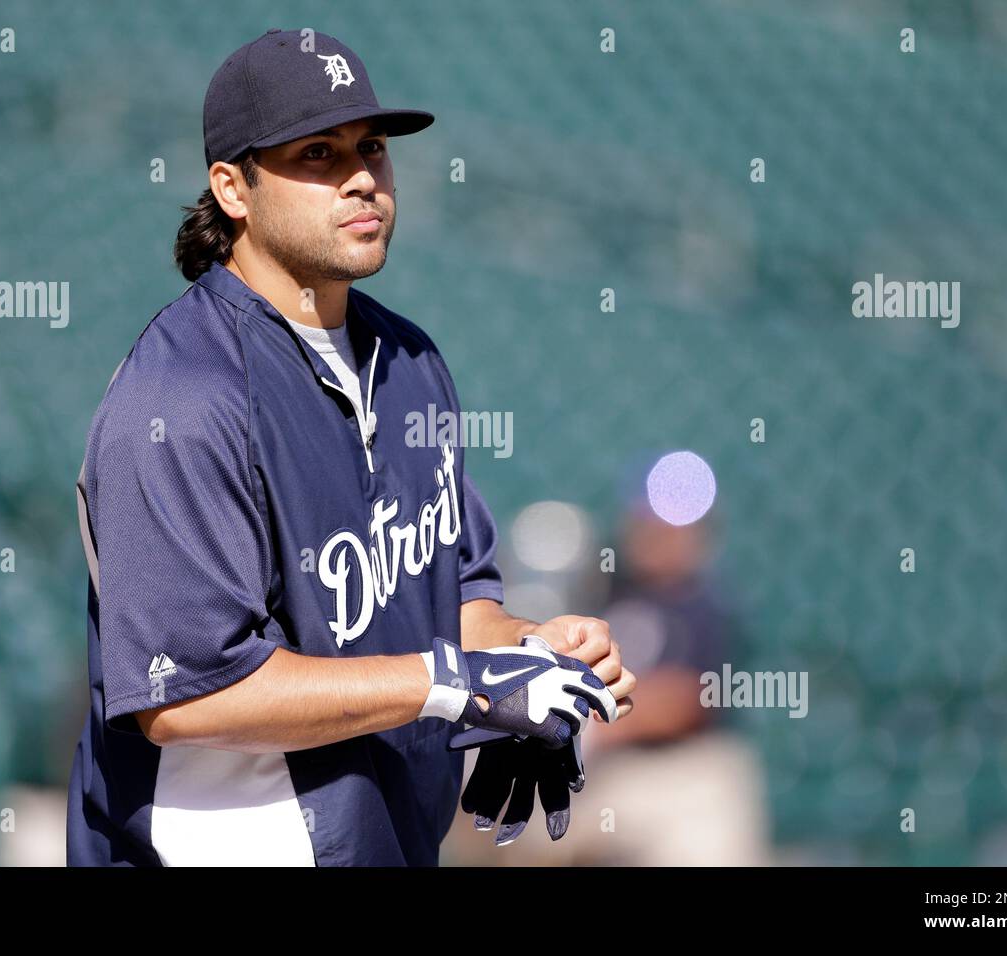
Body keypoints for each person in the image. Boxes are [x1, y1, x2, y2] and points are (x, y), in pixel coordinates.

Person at [65, 28, 636, 866]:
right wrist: (454, 687)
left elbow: (454, 605)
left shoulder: (412, 363)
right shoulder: (181, 397)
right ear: (233, 188)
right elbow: (187, 694)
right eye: (317, 153)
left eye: (370, 147)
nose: (362, 175)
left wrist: (535, 659)